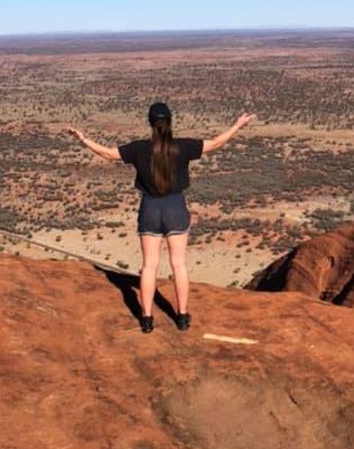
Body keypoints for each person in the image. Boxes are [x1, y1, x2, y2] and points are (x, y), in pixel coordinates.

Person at [65, 102, 256, 333]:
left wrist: (83, 139)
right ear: (170, 121)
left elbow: (107, 154)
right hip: (175, 207)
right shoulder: (183, 147)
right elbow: (215, 143)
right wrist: (237, 125)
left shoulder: (139, 149)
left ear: (150, 122)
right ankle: (183, 316)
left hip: (150, 209)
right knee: (179, 264)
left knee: (148, 266)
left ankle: (146, 319)